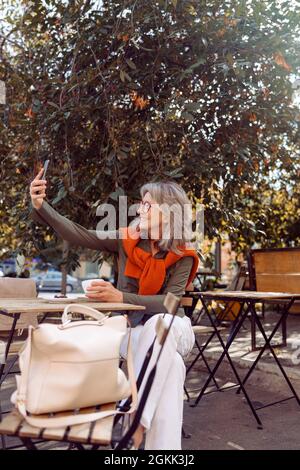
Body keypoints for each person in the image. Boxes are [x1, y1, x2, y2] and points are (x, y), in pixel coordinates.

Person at [29, 169, 199, 449]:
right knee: (172, 368)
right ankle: (152, 439)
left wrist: (121, 296)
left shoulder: (183, 253)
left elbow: (171, 304)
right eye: (140, 203)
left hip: (174, 330)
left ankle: (135, 418)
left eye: (147, 204)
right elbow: (80, 234)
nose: (140, 209)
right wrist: (41, 206)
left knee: (162, 325)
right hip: (133, 334)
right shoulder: (127, 240)